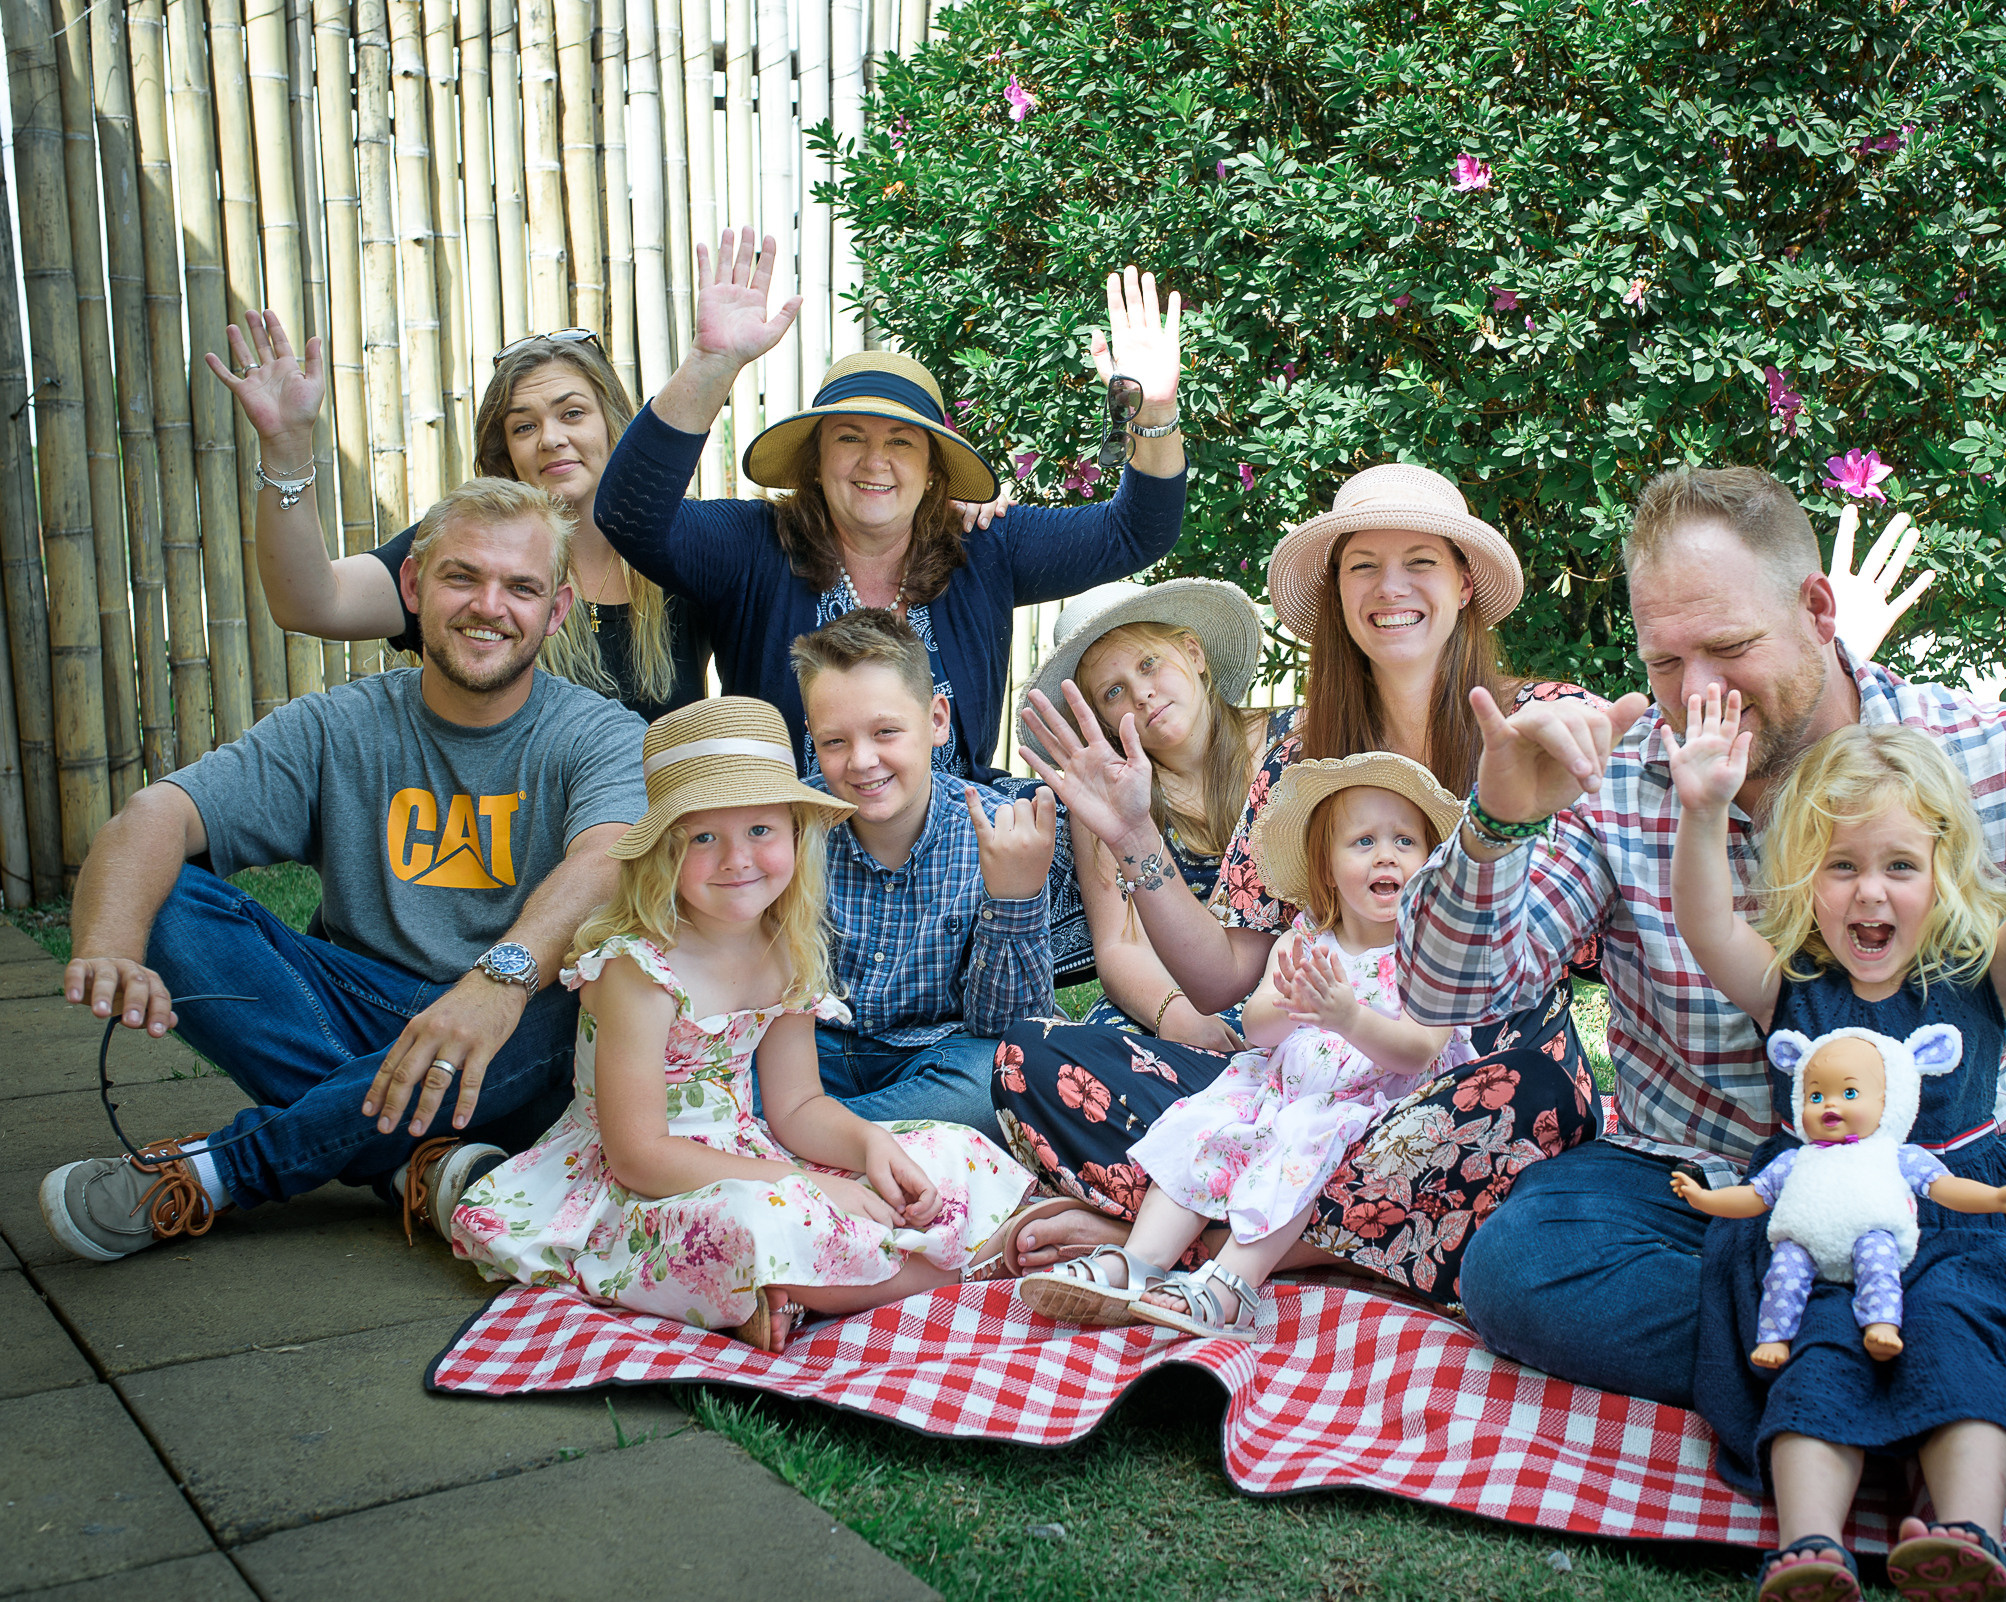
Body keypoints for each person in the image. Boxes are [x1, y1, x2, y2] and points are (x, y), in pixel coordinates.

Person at [1397, 465, 2006, 1602]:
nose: (1691, 692)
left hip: (1954, 1188)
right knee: (1528, 1262)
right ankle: (1974, 1367)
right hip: (1703, 1190)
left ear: (1818, 612)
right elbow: (1447, 992)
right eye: (1665, 661)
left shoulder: (1983, 751)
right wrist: (1499, 821)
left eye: (1726, 647)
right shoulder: (1620, 771)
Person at [997, 463, 1627, 1303]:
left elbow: (1585, 948)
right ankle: (1292, 1241)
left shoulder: (1539, 724)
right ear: (1335, 594)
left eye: (1420, 562)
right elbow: (1227, 976)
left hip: (1462, 1090)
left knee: (1528, 1097)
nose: (1389, 588)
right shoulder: (1298, 755)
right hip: (1302, 1092)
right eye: (1363, 565)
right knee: (1033, 1061)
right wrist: (1136, 836)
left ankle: (1187, 1243)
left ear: (1465, 583)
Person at [41, 479, 649, 1261]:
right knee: (164, 901)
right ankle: (414, 1164)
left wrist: (497, 983)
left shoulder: (598, 730)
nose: (489, 606)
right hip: (357, 1008)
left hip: (516, 1030)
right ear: (412, 585)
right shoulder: (337, 724)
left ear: (555, 611)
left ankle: (224, 1170)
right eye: (462, 576)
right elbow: (156, 817)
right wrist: (112, 944)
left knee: (603, 984)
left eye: (521, 588)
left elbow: (607, 856)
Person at [1667, 704, 2006, 1602]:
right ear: (1805, 880)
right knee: (1816, 1362)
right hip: (1823, 1243)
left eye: (1900, 865)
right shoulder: (1788, 988)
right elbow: (1707, 923)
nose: (1871, 892)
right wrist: (1705, 813)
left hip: (1957, 1231)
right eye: (1843, 866)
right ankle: (1809, 1552)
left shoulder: (1987, 979)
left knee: (1957, 1349)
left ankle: (1969, 1537)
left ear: (1943, 871)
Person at [448, 697, 1032, 1353]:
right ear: (664, 853)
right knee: (747, 1226)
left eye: (760, 831)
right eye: (704, 837)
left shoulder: (784, 947)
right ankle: (950, 1263)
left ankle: (806, 1285)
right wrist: (802, 1184)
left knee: (949, 1148)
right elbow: (638, 1155)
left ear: (794, 833)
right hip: (649, 1184)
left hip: (753, 1153)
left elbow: (798, 1106)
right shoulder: (637, 970)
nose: (737, 859)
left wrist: (867, 1147)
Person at [591, 236, 1188, 779]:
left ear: (933, 471)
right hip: (788, 872)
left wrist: (1153, 411)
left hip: (955, 867)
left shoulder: (983, 546)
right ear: (814, 460)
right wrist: (710, 364)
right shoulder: (754, 547)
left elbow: (1136, 532)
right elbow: (629, 517)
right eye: (849, 437)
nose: (875, 462)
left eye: (900, 442)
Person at [1019, 754, 1472, 1341]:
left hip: (1374, 1118)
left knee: (1303, 1145)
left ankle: (1231, 1285)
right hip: (1278, 1094)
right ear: (1328, 869)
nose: (1386, 854)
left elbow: (1416, 1051)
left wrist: (1347, 1016)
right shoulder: (1306, 936)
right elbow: (1256, 1029)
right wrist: (1288, 1002)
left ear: (1432, 863)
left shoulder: (1431, 953)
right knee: (1204, 1129)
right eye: (1363, 841)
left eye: (1405, 841)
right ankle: (1138, 1262)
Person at [207, 309, 707, 722]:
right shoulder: (463, 548)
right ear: (505, 453)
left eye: (572, 413)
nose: (551, 438)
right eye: (524, 426)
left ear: (615, 421)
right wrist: (286, 444)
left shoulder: (685, 548)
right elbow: (311, 603)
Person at [791, 609, 1057, 1142]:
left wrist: (1013, 897)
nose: (862, 761)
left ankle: (808, 1135)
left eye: (886, 731)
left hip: (930, 1058)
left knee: (999, 1079)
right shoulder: (791, 830)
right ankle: (820, 1127)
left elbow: (1008, 1028)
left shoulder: (994, 837)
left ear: (937, 720)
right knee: (727, 1073)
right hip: (804, 1057)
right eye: (834, 742)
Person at [1020, 579, 1286, 1048]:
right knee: (1049, 1056)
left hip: (1291, 986)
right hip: (1170, 996)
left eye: (1149, 664)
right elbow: (1120, 945)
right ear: (1101, 721)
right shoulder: (1108, 799)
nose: (1141, 694)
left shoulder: (1288, 744)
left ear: (1194, 653)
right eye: (1113, 692)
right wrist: (1180, 1019)